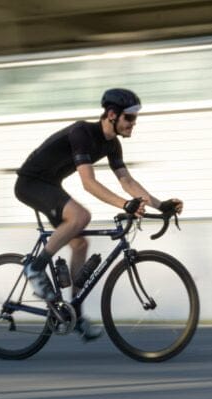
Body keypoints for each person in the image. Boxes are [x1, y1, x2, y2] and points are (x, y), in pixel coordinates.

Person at [14, 88, 183, 340]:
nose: (133, 124)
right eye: (130, 118)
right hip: (31, 183)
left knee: (80, 243)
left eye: (135, 119)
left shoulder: (112, 144)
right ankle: (35, 268)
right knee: (81, 216)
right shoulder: (83, 132)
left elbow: (126, 180)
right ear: (112, 115)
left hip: (50, 186)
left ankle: (75, 315)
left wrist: (161, 205)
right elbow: (88, 183)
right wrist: (124, 204)